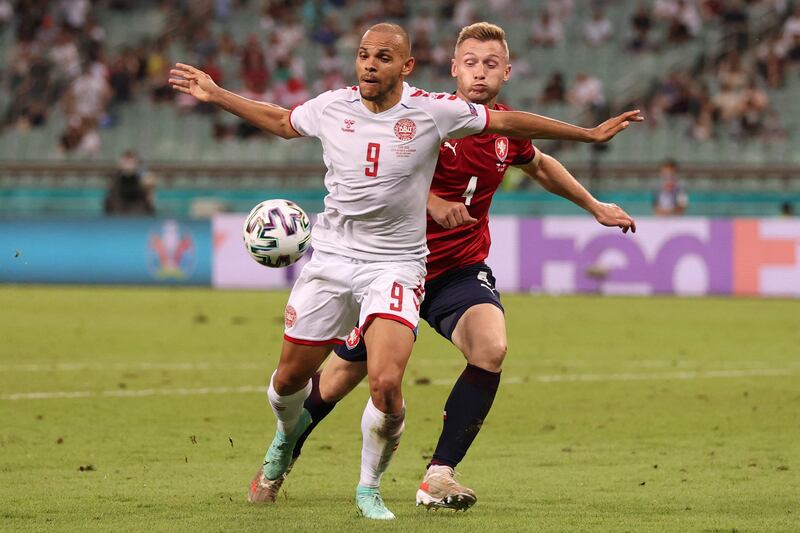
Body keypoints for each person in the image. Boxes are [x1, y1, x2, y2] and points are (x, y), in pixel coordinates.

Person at [169, 22, 642, 520]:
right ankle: (280, 457)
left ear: (507, 71)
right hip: (376, 263)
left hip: (447, 271)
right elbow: (383, 175)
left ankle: (438, 473)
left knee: (489, 347)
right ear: (453, 68)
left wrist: (593, 203)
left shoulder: (498, 131)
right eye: (471, 63)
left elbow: (540, 164)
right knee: (325, 387)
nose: (480, 73)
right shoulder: (432, 116)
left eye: (491, 64)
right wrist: (433, 201)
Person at [104, 150, 156, 215]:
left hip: (138, 216)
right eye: (125, 162)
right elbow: (109, 202)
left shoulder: (142, 179)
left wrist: (149, 189)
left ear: (136, 163)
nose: (128, 165)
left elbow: (149, 201)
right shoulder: (115, 179)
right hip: (118, 216)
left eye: (130, 162)